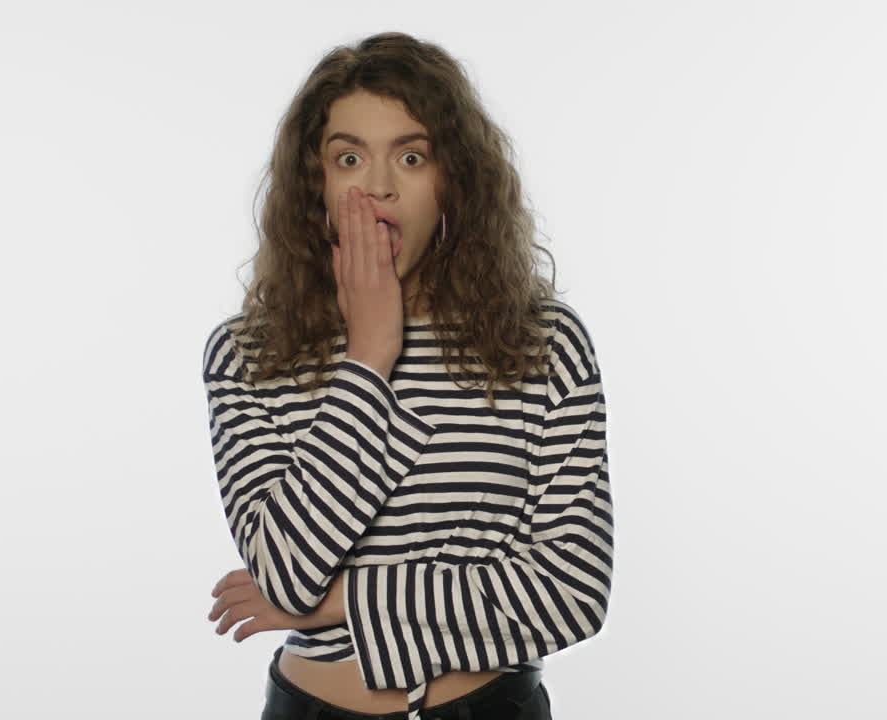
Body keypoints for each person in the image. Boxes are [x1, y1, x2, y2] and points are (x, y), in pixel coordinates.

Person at [200, 31, 613, 720]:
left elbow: (573, 590)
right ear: (316, 184)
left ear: (452, 179)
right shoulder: (248, 356)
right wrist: (369, 355)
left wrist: (342, 603)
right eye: (349, 157)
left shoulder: (543, 345)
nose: (379, 186)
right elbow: (286, 574)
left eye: (412, 156)